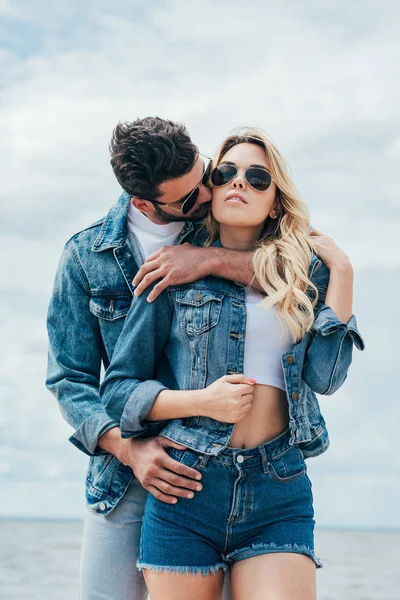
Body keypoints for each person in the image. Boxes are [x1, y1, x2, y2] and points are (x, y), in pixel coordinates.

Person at [100, 128, 365, 600]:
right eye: (226, 173)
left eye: (257, 177)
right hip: (187, 486)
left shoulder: (307, 277)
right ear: (211, 188)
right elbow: (119, 390)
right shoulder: (172, 270)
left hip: (277, 486)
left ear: (276, 200)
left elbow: (326, 377)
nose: (239, 183)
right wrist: (201, 401)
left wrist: (342, 274)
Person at [46, 117, 268, 600]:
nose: (208, 197)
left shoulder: (222, 226)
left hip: (218, 468)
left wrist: (207, 260)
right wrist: (129, 450)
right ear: (143, 202)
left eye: (205, 176)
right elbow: (69, 378)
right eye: (188, 200)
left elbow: (293, 268)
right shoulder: (86, 256)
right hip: (125, 472)